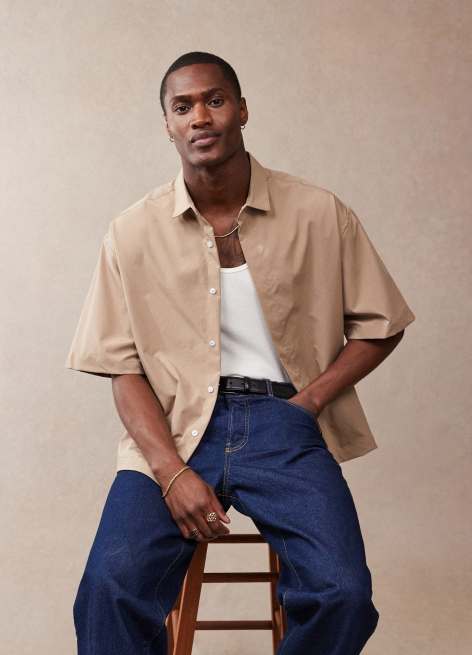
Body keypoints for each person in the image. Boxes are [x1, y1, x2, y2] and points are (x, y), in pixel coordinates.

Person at [65, 50, 415, 655]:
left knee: (343, 594)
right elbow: (122, 369)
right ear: (168, 125)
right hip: (174, 432)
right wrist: (171, 472)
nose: (200, 116)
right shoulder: (131, 232)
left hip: (286, 425)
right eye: (183, 107)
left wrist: (308, 404)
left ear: (242, 110)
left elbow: (382, 323)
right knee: (107, 589)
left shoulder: (318, 212)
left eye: (215, 100)